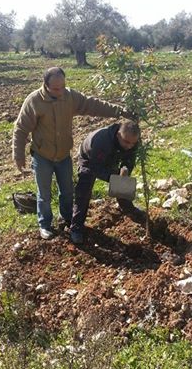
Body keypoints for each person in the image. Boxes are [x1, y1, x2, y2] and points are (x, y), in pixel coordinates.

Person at [12, 66, 133, 240]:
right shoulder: (34, 101)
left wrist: (119, 111)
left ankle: (67, 219)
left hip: (63, 155)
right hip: (42, 155)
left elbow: (93, 105)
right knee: (44, 193)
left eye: (62, 86)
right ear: (45, 85)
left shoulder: (70, 97)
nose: (60, 91)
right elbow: (21, 128)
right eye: (55, 88)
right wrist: (18, 155)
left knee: (67, 191)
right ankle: (45, 225)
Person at [70, 120, 142, 244]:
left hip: (112, 156)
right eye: (126, 142)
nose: (129, 146)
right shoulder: (101, 141)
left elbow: (130, 160)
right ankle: (76, 227)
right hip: (90, 159)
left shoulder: (132, 141)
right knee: (84, 190)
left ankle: (127, 208)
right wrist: (112, 177)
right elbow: (95, 167)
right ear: (119, 134)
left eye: (132, 143)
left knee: (122, 179)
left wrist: (125, 170)